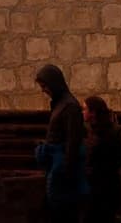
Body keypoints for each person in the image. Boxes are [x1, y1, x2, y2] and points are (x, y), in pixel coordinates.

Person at [31, 63, 84, 223]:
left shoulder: (70, 106)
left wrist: (67, 171)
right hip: (56, 165)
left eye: (44, 86)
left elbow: (73, 140)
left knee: (62, 211)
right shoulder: (60, 103)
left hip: (61, 168)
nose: (43, 90)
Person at [84, 95, 121, 223]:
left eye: (85, 109)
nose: (83, 112)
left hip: (104, 192)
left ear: (93, 113)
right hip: (95, 190)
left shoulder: (107, 135)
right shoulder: (94, 132)